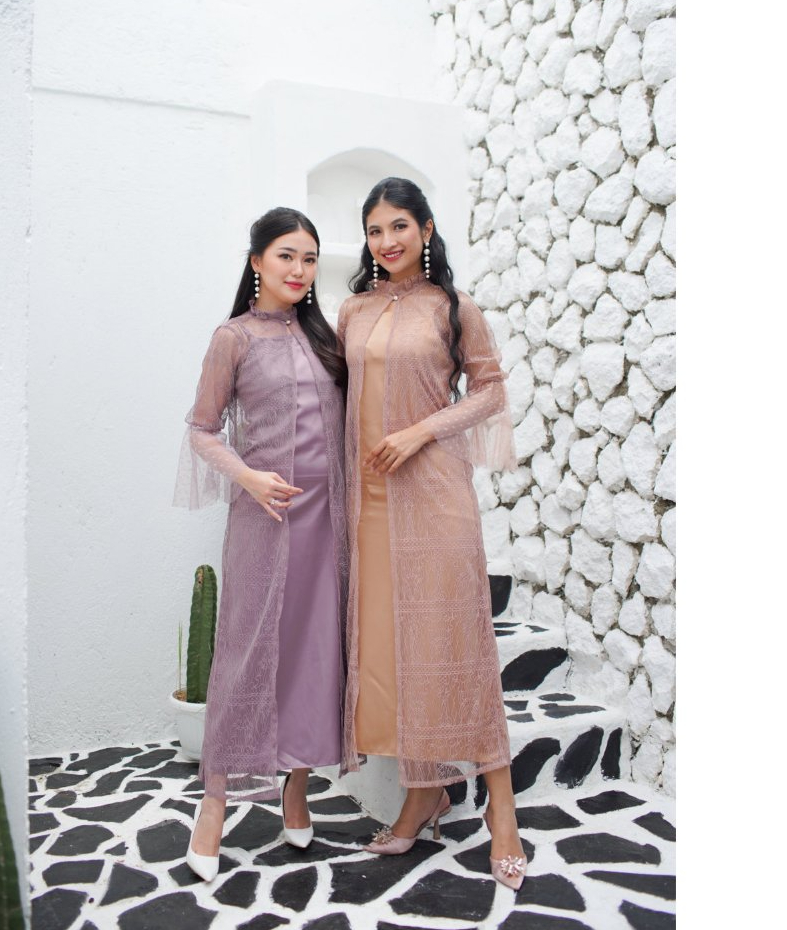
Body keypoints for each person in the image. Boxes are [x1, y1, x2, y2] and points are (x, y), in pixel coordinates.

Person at [336, 177, 528, 890]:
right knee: (393, 653)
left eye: (399, 226)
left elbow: (491, 390)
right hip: (370, 504)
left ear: (426, 229)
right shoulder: (353, 309)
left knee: (458, 646)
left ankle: (501, 810)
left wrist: (420, 431)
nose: (387, 241)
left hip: (436, 496)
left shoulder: (454, 307)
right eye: (375, 230)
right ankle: (424, 794)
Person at [173, 207, 348, 882]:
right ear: (256, 262)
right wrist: (247, 476)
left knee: (313, 655)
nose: (299, 270)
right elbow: (201, 428)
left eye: (309, 258)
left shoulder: (324, 337)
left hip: (327, 524)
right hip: (263, 523)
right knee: (244, 656)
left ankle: (296, 795)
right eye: (286, 256)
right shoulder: (233, 337)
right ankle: (214, 807)